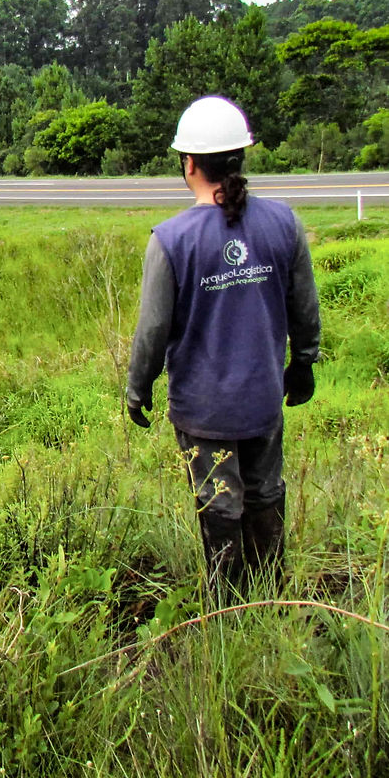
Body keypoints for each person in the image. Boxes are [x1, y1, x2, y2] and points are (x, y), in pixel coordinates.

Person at [126, 96, 320, 596]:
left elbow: (152, 330)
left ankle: (227, 609)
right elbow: (304, 307)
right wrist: (303, 363)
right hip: (263, 398)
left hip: (203, 408)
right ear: (240, 158)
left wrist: (137, 387)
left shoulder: (171, 240)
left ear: (188, 164)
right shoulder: (283, 223)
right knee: (265, 493)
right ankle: (269, 596)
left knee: (219, 502)